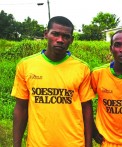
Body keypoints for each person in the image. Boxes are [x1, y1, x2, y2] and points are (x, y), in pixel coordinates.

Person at [11, 16, 95, 147]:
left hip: (73, 143)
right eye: (55, 34)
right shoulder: (26, 65)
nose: (60, 40)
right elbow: (21, 108)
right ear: (46, 34)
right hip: (37, 144)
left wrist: (88, 144)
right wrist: (16, 145)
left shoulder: (81, 68)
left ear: (71, 40)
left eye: (66, 36)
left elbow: (87, 109)